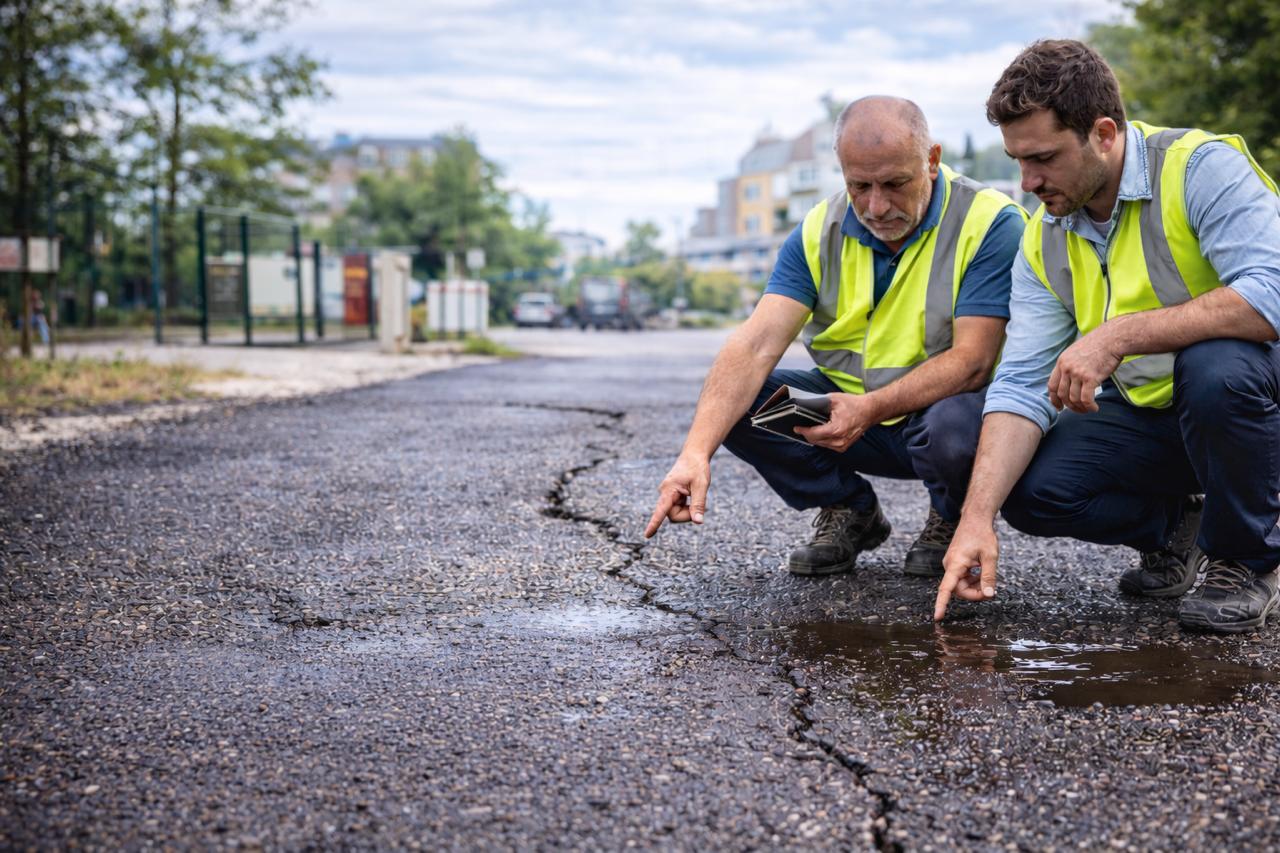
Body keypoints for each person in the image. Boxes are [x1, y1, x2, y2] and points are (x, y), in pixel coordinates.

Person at [934, 40, 1280, 634]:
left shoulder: (1200, 168)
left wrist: (1120, 333)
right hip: (1163, 417)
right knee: (1030, 491)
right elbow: (1019, 385)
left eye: (1042, 157)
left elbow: (1271, 295)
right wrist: (975, 519)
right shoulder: (1043, 237)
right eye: (1018, 160)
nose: (1027, 181)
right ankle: (1182, 529)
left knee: (1216, 366)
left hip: (1250, 402)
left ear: (1103, 133)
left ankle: (1247, 561)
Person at [645, 96, 1026, 578]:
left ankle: (950, 517)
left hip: (943, 418)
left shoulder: (990, 222)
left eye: (895, 184)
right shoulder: (817, 231)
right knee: (740, 399)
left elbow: (974, 359)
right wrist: (694, 455)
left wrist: (869, 408)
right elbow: (755, 345)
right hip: (852, 414)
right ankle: (850, 510)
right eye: (859, 185)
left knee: (958, 427)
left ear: (932, 160)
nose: (876, 205)